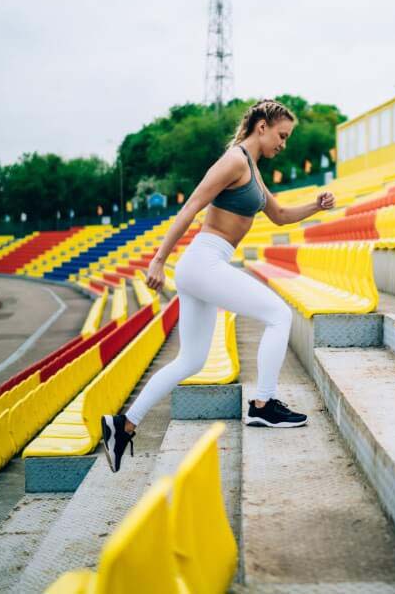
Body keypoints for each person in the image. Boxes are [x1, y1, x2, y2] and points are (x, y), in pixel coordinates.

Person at [100, 99, 335, 473]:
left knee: (192, 359)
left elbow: (279, 216)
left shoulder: (252, 169)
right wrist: (158, 260)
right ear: (262, 127)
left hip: (205, 265)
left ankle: (123, 425)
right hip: (203, 261)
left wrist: (316, 206)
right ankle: (263, 404)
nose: (283, 144)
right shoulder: (234, 161)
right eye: (282, 135)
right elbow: (190, 206)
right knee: (278, 314)